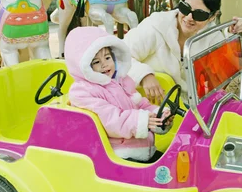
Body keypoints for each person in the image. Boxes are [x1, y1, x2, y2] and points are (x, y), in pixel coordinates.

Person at [124, 0, 242, 104]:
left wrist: (240, 33)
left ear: (212, 17)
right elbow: (119, 55)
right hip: (142, 106)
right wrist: (144, 75)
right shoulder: (156, 26)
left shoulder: (212, 38)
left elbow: (230, 66)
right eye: (185, 8)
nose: (189, 17)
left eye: (199, 14)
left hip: (186, 112)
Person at [66, 26, 173, 163]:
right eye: (96, 62)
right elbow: (111, 120)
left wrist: (158, 115)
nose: (105, 65)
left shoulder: (120, 80)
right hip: (117, 154)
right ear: (84, 67)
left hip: (143, 147)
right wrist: (143, 121)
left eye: (107, 57)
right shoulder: (83, 92)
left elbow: (140, 104)